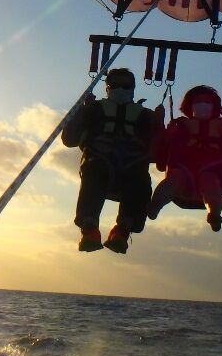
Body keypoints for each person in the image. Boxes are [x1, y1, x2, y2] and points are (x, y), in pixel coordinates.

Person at [61, 67, 163, 254]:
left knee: (139, 180)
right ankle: (89, 228)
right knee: (95, 171)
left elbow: (159, 154)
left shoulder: (145, 115)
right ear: (107, 88)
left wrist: (158, 125)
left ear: (133, 89)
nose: (120, 89)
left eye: (125, 86)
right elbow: (69, 139)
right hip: (99, 160)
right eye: (115, 85)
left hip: (132, 165)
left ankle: (122, 231)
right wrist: (81, 111)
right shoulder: (94, 109)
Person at [148, 84, 222, 231]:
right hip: (183, 173)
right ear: (190, 105)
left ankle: (214, 215)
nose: (203, 105)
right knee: (176, 178)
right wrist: (168, 137)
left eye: (207, 102)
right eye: (198, 101)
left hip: (213, 172)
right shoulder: (180, 126)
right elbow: (161, 164)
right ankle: (155, 204)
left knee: (209, 180)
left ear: (214, 106)